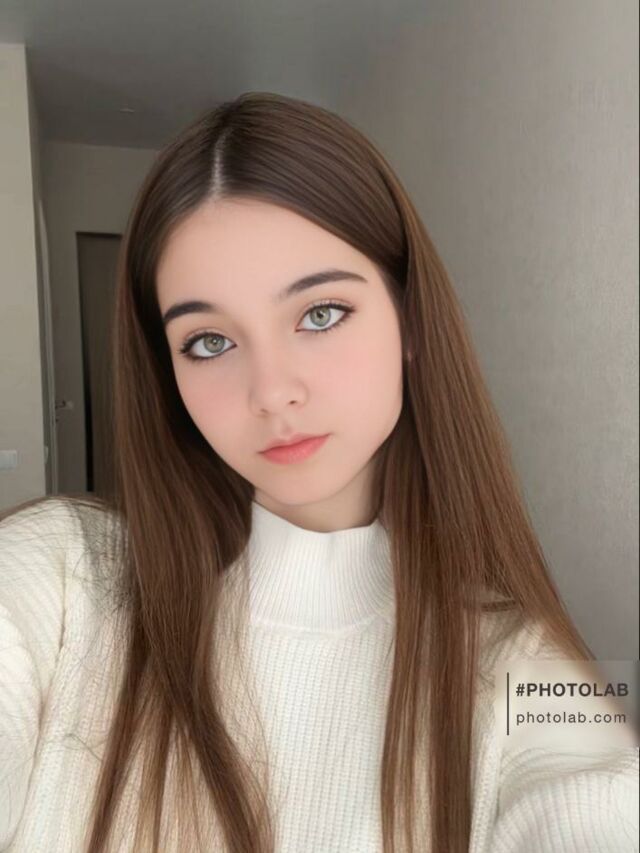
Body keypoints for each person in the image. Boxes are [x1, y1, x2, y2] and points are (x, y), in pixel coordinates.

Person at [0, 92, 637, 853]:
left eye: (321, 313)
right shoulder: (63, 575)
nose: (272, 392)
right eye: (208, 342)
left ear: (409, 320)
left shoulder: (522, 660)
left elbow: (594, 806)